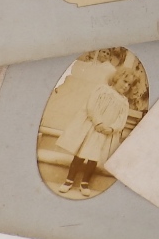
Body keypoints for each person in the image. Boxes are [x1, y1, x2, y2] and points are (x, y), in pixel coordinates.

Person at [55, 68, 135, 197]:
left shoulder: (124, 102)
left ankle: (85, 182)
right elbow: (90, 105)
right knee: (80, 155)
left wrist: (112, 128)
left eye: (129, 84)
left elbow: (122, 119)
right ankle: (69, 181)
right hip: (92, 127)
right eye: (125, 81)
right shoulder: (102, 90)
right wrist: (98, 122)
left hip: (105, 133)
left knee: (94, 158)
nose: (126, 86)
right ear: (116, 78)